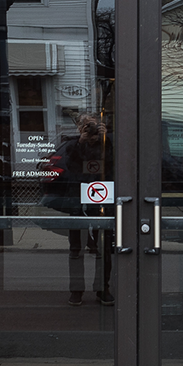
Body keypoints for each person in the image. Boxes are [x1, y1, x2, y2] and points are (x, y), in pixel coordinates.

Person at [44, 110, 115, 306]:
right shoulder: (73, 146)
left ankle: (103, 288)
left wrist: (104, 139)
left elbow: (111, 167)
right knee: (76, 250)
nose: (91, 131)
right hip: (78, 204)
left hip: (103, 202)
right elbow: (73, 168)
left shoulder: (107, 144)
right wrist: (81, 141)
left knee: (104, 250)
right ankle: (76, 290)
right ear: (80, 128)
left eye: (94, 126)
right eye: (87, 127)